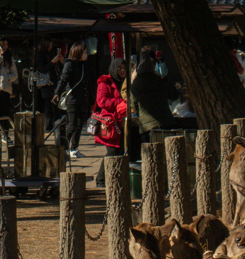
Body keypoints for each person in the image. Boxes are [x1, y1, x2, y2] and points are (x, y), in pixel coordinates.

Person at [93, 58, 128, 188]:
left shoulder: (126, 82)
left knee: (119, 152)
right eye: (120, 68)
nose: (122, 71)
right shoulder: (105, 82)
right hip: (109, 123)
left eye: (124, 68)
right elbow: (102, 101)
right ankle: (101, 180)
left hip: (122, 121)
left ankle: (114, 179)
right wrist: (119, 103)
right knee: (112, 152)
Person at [130, 50, 178, 143]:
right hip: (166, 122)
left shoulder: (135, 85)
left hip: (147, 127)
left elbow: (135, 107)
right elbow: (174, 95)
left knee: (150, 153)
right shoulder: (160, 81)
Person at [53, 41, 91, 159]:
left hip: (83, 98)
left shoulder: (85, 65)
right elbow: (63, 80)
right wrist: (57, 93)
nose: (86, 54)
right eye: (84, 52)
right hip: (73, 99)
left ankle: (74, 148)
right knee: (72, 125)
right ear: (78, 52)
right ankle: (64, 147)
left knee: (80, 125)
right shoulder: (69, 65)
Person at [33, 38, 63, 131]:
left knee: (56, 105)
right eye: (50, 45)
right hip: (46, 83)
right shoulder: (40, 55)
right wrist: (52, 62)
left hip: (55, 81)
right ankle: (48, 126)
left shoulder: (51, 53)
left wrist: (60, 61)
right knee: (48, 106)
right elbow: (42, 69)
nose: (51, 47)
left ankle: (57, 124)